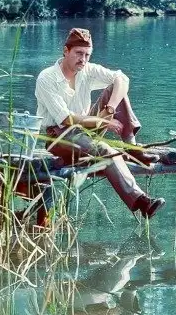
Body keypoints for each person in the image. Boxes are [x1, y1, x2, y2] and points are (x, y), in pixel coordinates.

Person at [34, 28, 165, 219]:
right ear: (65, 51)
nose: (83, 59)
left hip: (85, 132)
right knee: (104, 150)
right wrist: (103, 122)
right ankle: (142, 202)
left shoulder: (86, 70)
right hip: (59, 137)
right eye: (79, 53)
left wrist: (110, 109)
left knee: (116, 89)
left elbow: (122, 79)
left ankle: (131, 146)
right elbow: (66, 119)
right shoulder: (47, 78)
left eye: (87, 55)